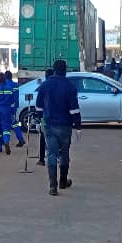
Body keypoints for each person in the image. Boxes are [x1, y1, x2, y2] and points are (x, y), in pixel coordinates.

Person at [35, 59, 81, 196]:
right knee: (64, 153)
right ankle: (63, 181)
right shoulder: (70, 87)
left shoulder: (45, 86)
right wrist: (78, 126)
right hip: (65, 126)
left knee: (52, 154)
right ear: (65, 70)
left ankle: (52, 186)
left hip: (49, 125)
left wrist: (39, 121)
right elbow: (74, 109)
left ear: (54, 70)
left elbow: (38, 107)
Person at [36, 68, 54, 167]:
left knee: (43, 136)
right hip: (56, 117)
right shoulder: (58, 85)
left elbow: (38, 105)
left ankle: (42, 159)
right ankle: (58, 157)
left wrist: (40, 119)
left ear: (46, 76)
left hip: (45, 117)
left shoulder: (43, 86)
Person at [3, 71, 26, 147]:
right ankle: (20, 139)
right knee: (14, 123)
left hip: (6, 107)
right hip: (14, 107)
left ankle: (3, 140)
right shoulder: (15, 85)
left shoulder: (4, 85)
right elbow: (16, 97)